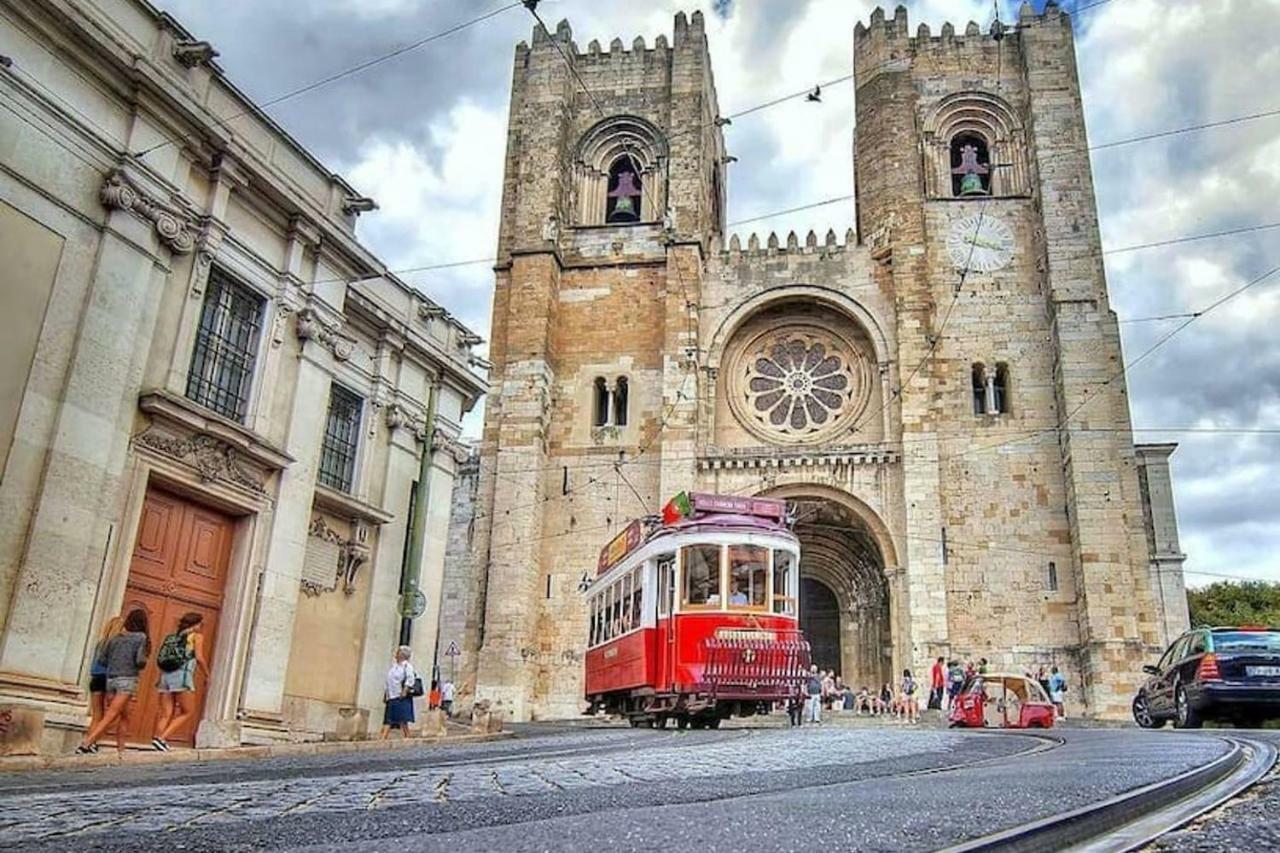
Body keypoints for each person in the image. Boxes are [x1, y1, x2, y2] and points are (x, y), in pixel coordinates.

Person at [76, 609, 150, 755]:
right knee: (111, 714)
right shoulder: (141, 637)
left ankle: (121, 751)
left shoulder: (114, 639)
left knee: (124, 715)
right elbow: (140, 661)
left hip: (111, 680)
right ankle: (86, 743)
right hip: (127, 680)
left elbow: (103, 659)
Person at [151, 611, 207, 751]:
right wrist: (207, 674)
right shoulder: (196, 637)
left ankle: (157, 739)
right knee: (188, 711)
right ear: (196, 624)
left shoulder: (172, 637)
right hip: (182, 676)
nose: (201, 627)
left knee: (166, 713)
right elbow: (199, 657)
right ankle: (162, 738)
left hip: (166, 676)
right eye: (200, 624)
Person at [85, 615, 124, 754]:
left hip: (95, 680)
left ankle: (90, 742)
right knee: (113, 715)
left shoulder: (100, 643)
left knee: (97, 715)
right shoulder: (117, 645)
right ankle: (90, 741)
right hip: (107, 680)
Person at [380, 645, 418, 739]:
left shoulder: (407, 666)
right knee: (389, 718)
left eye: (398, 652)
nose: (396, 654)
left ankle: (406, 735)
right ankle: (384, 737)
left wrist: (405, 691)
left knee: (401, 719)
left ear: (402, 655)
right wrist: (386, 694)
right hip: (391, 695)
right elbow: (388, 681)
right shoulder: (394, 667)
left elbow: (410, 679)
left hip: (400, 695)